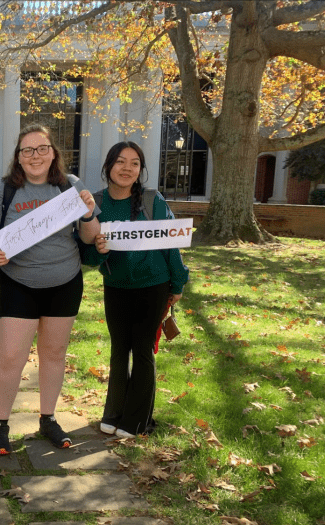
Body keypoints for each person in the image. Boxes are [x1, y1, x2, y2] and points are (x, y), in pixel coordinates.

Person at [0, 124, 99, 455]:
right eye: (27, 151)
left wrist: (89, 212)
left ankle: (48, 418)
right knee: (10, 356)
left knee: (53, 353)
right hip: (19, 283)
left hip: (65, 281)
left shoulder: (70, 186)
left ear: (53, 153)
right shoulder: (3, 191)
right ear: (18, 158)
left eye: (42, 148)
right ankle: (0, 423)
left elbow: (91, 236)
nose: (35, 156)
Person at [87, 141, 189, 438]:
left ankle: (136, 421)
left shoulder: (152, 200)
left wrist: (178, 283)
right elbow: (89, 258)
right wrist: (99, 249)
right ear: (108, 166)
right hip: (116, 285)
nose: (127, 168)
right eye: (121, 162)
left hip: (153, 284)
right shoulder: (95, 204)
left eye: (134, 163)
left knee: (142, 349)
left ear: (140, 170)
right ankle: (114, 413)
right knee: (119, 349)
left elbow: (170, 243)